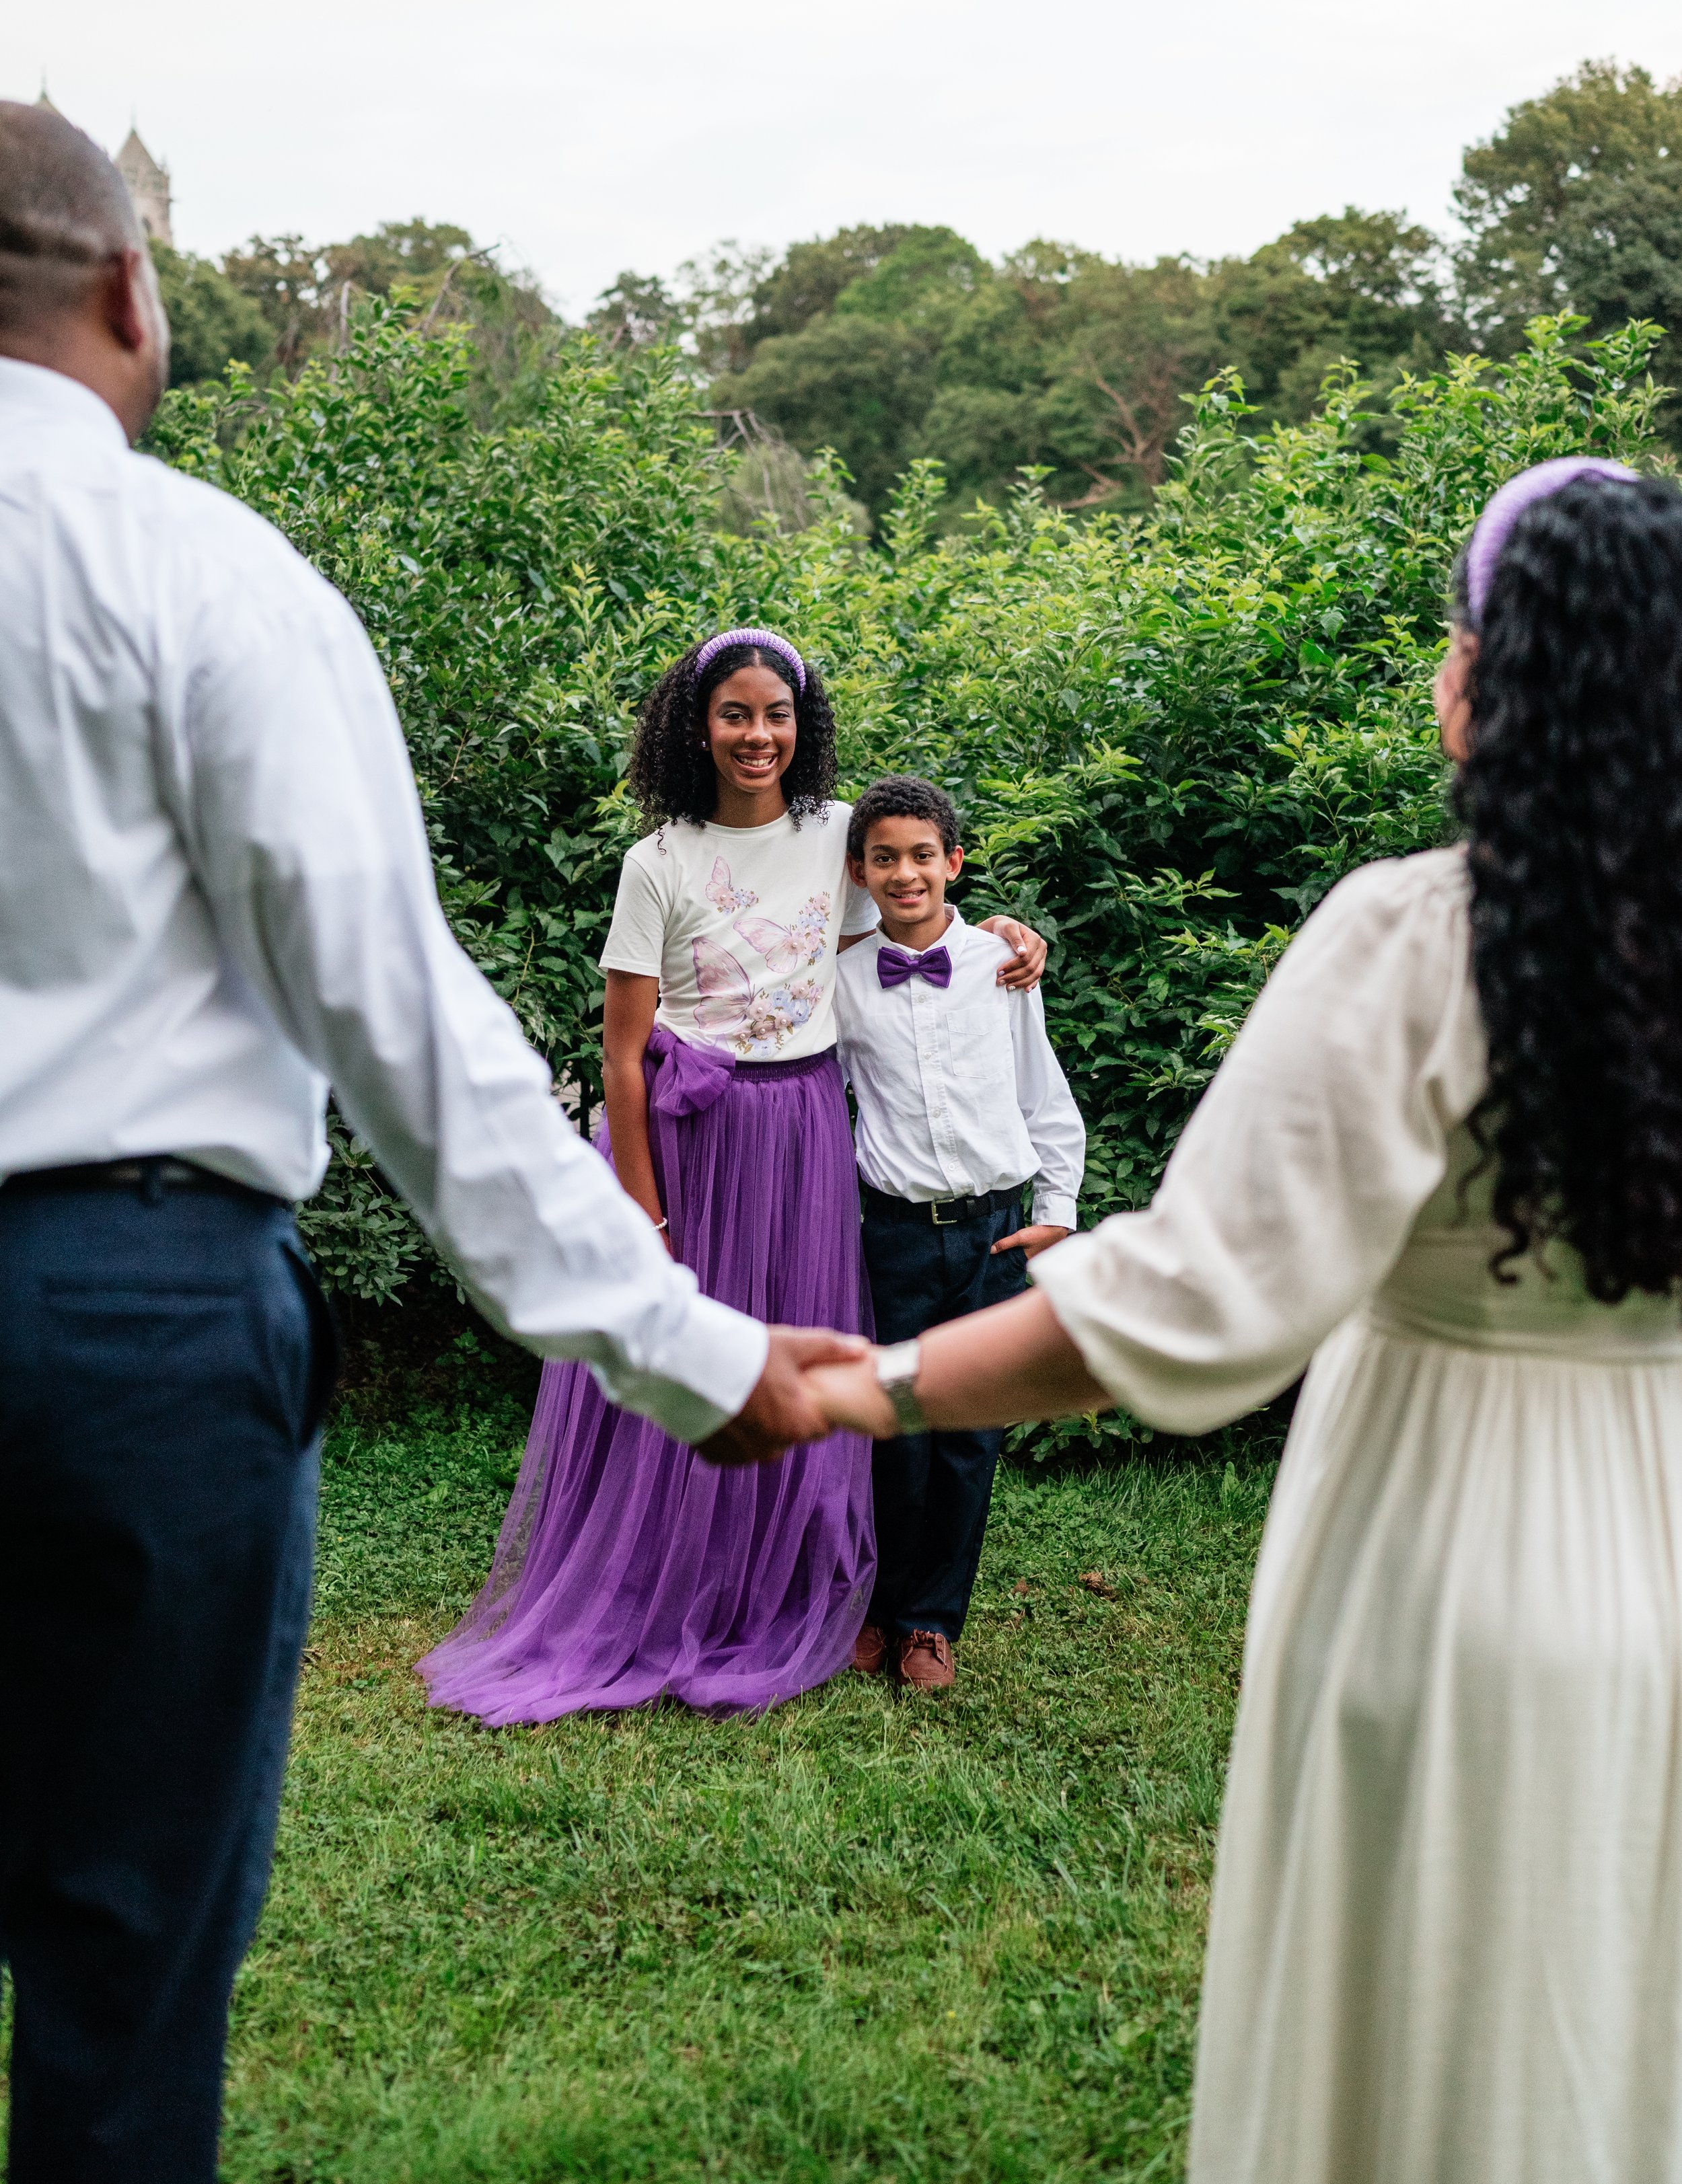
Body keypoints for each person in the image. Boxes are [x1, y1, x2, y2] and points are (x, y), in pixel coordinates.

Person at [0, 102, 858, 2184]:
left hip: (128, 1307)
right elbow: (400, 1018)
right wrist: (687, 1349)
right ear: (129, 293)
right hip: (119, 1325)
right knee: (122, 1965)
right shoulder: (196, 574)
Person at [813, 458, 1682, 2184]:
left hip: (1439, 1555)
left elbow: (1194, 1308)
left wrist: (865, 1386)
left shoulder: (1412, 937)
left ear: (1480, 676)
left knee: (1429, 2029)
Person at [421, 639, 1047, 1721]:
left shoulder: (834, 837)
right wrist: (640, 1205)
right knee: (687, 1358)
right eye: (734, 714)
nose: (758, 735)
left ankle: (796, 1586)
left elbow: (909, 922)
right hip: (695, 1141)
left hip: (803, 1134)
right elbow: (622, 1054)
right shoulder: (656, 861)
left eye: (778, 713)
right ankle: (662, 1586)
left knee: (800, 1360)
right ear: (693, 724)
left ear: (804, 723)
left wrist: (998, 930)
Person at [835, 776, 1084, 1691]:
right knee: (893, 1429)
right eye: (886, 858)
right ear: (860, 872)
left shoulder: (1000, 964)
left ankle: (933, 1623)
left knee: (969, 1434)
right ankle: (878, 1603)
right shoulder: (843, 978)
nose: (906, 873)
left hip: (993, 1231)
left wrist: (1058, 1206)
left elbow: (1040, 1088)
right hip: (894, 1236)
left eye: (922, 855)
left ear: (955, 862)